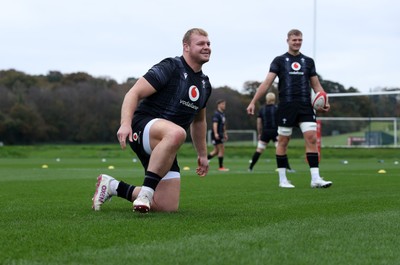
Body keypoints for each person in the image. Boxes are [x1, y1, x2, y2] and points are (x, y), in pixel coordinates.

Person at [92, 28, 212, 213]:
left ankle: (113, 186)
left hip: (167, 144)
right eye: (201, 43)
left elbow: (199, 122)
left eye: (208, 44)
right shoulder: (171, 67)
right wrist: (125, 123)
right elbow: (134, 93)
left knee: (166, 206)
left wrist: (203, 155)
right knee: (177, 132)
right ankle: (145, 194)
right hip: (142, 129)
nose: (206, 47)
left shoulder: (205, 84)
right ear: (186, 47)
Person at [247, 29, 332, 189]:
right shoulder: (279, 61)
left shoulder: (308, 61)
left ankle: (315, 179)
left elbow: (316, 84)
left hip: (306, 106)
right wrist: (253, 101)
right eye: (294, 40)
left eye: (299, 40)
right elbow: (266, 83)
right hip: (286, 106)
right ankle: (283, 179)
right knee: (283, 141)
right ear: (288, 40)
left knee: (312, 138)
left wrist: (323, 99)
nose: (297, 42)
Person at [248, 92, 295, 173]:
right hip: (275, 132)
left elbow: (259, 123)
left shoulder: (262, 109)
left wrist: (259, 133)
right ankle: (288, 168)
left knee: (259, 150)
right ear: (274, 99)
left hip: (265, 132)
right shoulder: (277, 108)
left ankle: (250, 167)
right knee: (281, 149)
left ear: (266, 99)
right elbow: (280, 120)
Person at [207, 99, 229, 171]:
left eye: (224, 104)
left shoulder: (222, 114)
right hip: (217, 134)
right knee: (221, 149)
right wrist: (216, 133)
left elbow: (223, 125)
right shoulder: (217, 114)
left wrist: (225, 133)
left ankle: (204, 160)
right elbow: (215, 124)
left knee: (216, 151)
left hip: (221, 134)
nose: (224, 106)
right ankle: (221, 167)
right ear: (219, 105)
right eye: (223, 104)